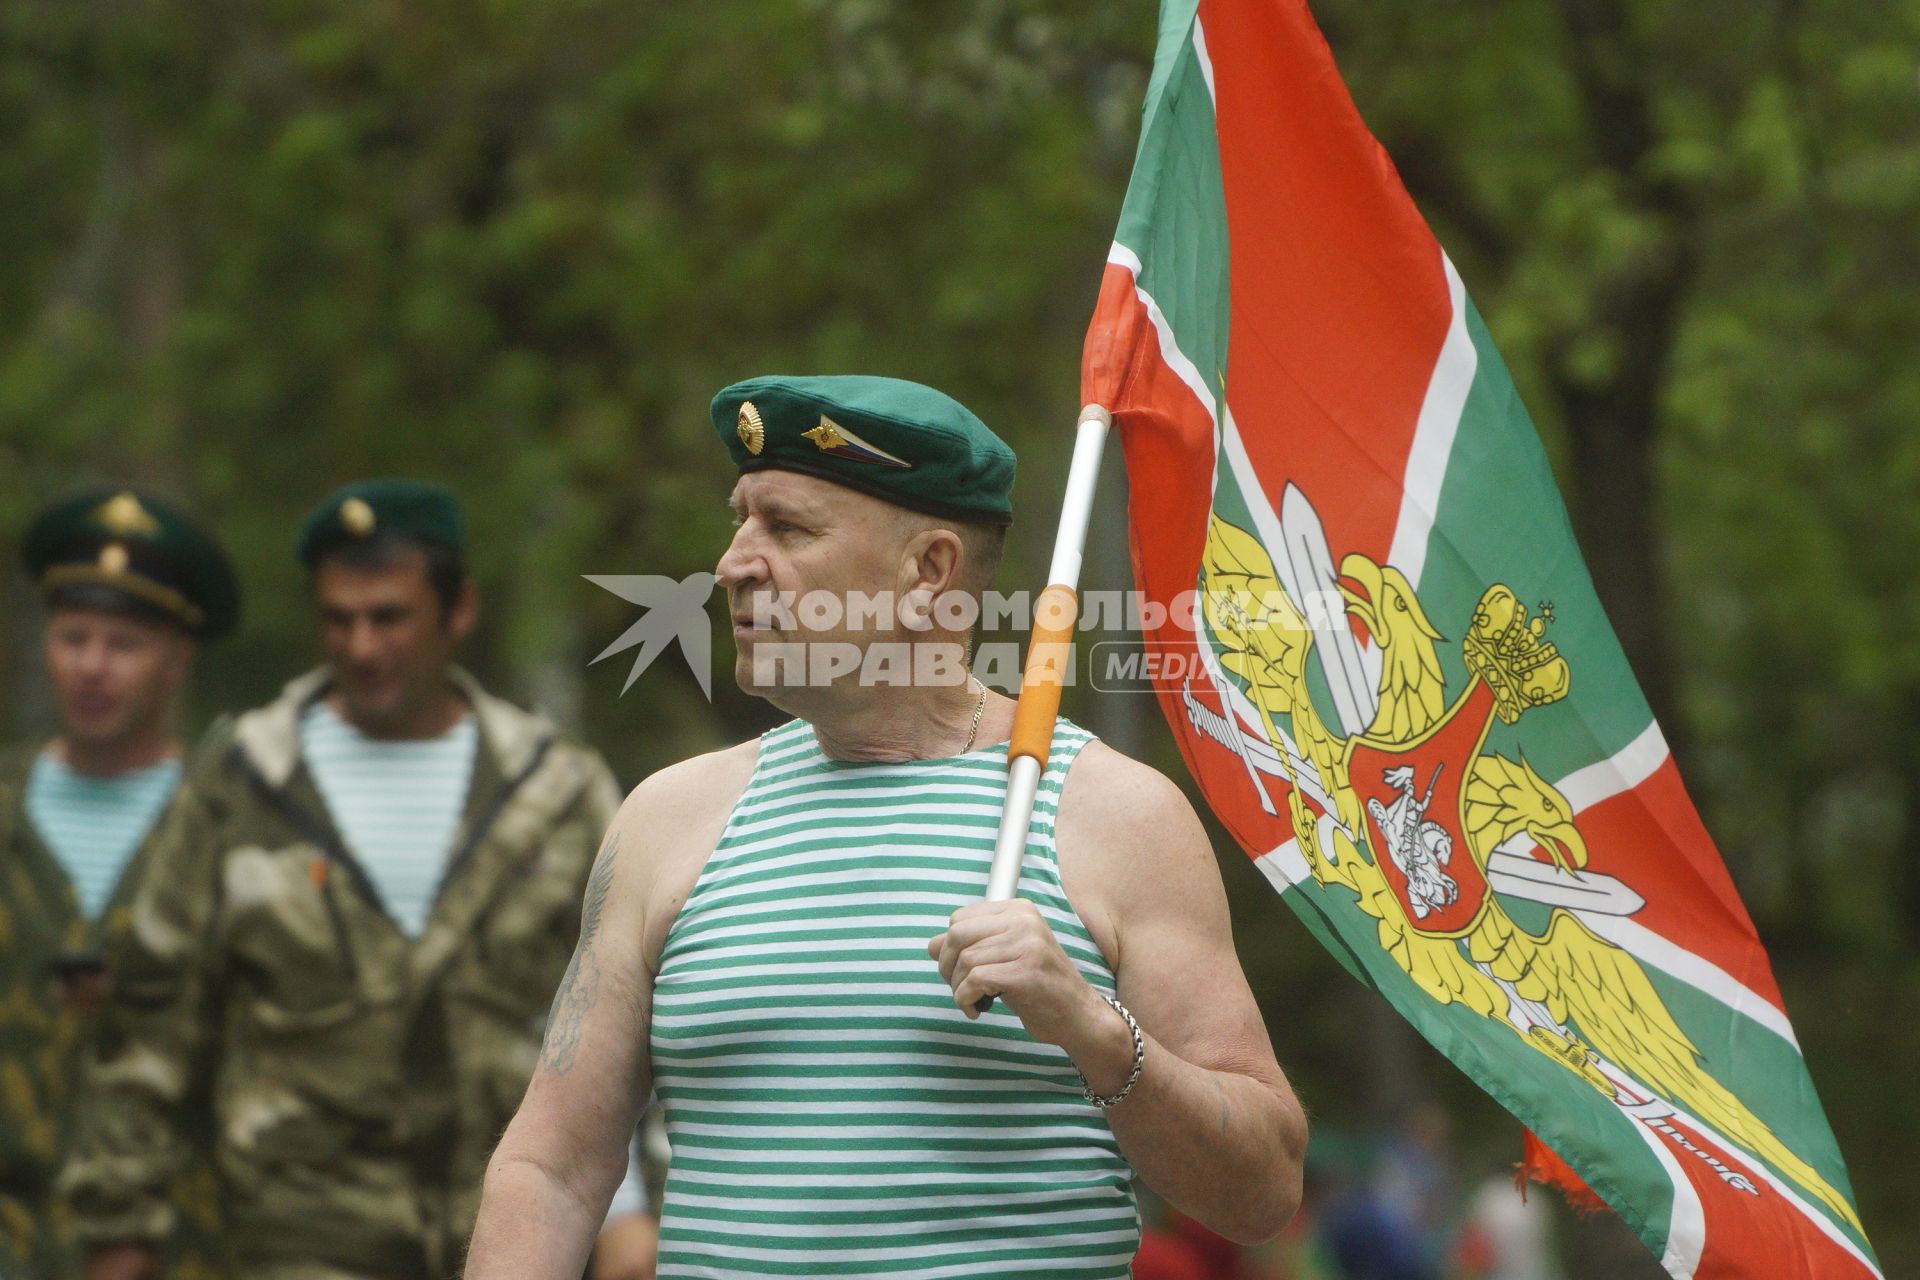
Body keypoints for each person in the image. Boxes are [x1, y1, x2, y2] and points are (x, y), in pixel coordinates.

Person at [465, 375, 1309, 1278]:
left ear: (929, 571)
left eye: (785, 528)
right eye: (740, 519)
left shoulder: (1113, 814)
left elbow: (1259, 1194)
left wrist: (1094, 1032)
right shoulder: (668, 819)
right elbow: (551, 1170)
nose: (731, 563)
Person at [60, 479, 628, 1280]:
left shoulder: (558, 791)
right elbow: (155, 1013)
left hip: (515, 1237)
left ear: (457, 610)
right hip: (297, 1238)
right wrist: (120, 1228)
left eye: (389, 617)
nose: (362, 647)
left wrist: (634, 1212)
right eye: (339, 619)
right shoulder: (246, 780)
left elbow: (629, 1015)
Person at [0, 488, 240, 1280]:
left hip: (188, 1247)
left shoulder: (232, 830)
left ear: (178, 656)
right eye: (73, 638)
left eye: (124, 644)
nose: (92, 667)